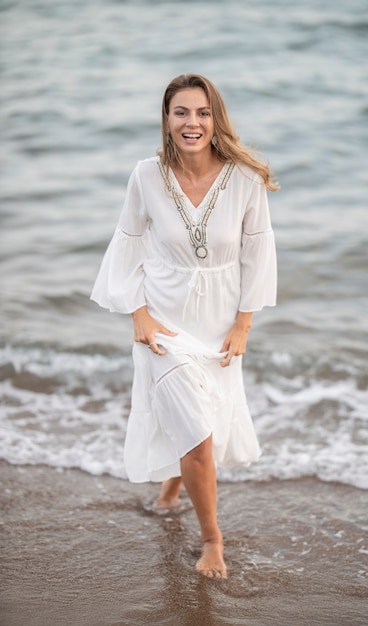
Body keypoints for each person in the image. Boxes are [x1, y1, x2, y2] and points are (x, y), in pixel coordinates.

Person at [91, 73, 279, 579]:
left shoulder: (244, 179)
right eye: (181, 113)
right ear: (167, 119)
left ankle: (173, 485)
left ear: (215, 119)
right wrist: (139, 314)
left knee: (207, 417)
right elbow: (128, 243)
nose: (191, 123)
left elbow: (258, 255)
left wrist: (243, 325)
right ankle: (213, 540)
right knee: (197, 437)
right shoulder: (145, 175)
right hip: (164, 320)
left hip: (219, 320)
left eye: (201, 113)